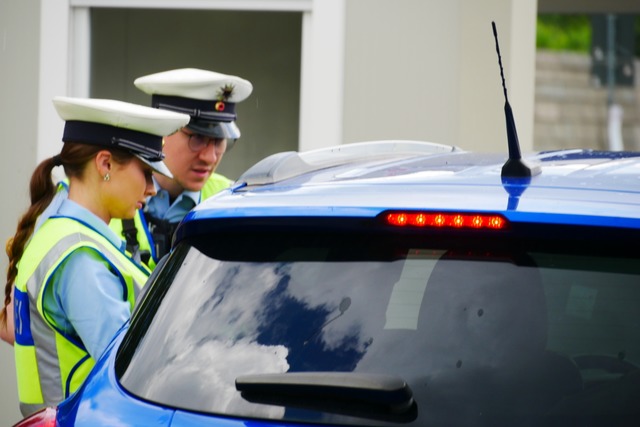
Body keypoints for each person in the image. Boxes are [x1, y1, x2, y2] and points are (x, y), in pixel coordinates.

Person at [0, 96, 189, 416]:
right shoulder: (80, 260)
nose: (152, 188)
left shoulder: (60, 235)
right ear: (105, 165)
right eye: (146, 172)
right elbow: (133, 376)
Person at [110, 68, 253, 266]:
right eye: (197, 138)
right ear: (160, 130)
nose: (210, 157)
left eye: (219, 141)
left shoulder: (234, 200)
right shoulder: (99, 190)